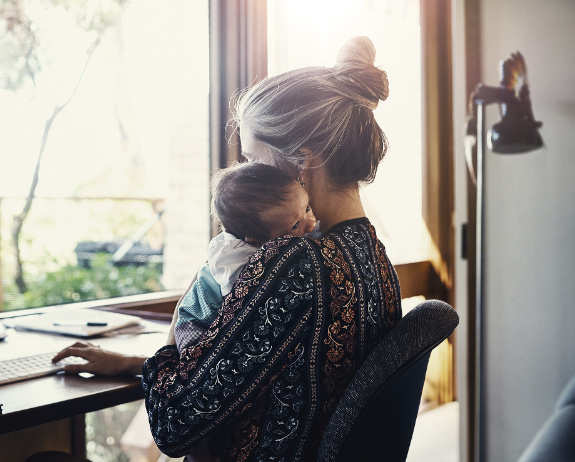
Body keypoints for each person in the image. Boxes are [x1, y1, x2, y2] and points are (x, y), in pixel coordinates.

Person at [50, 36, 402, 462]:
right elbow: (263, 370)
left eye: (255, 160)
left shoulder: (293, 262)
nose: (249, 177)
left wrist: (173, 331)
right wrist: (134, 364)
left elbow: (173, 427)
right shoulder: (372, 257)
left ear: (303, 160)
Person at [175, 161, 317, 353]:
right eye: (295, 226)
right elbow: (241, 304)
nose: (311, 224)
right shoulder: (236, 262)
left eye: (307, 208)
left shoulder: (286, 231)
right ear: (257, 241)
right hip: (197, 322)